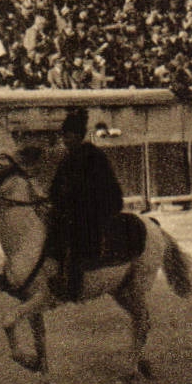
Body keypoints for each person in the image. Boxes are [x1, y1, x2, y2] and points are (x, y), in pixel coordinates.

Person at [47, 107, 124, 301]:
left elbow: (100, 189)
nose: (66, 140)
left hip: (96, 210)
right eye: (64, 136)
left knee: (78, 238)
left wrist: (72, 202)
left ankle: (73, 285)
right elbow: (56, 187)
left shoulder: (93, 155)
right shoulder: (66, 159)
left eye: (70, 136)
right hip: (74, 210)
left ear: (80, 136)